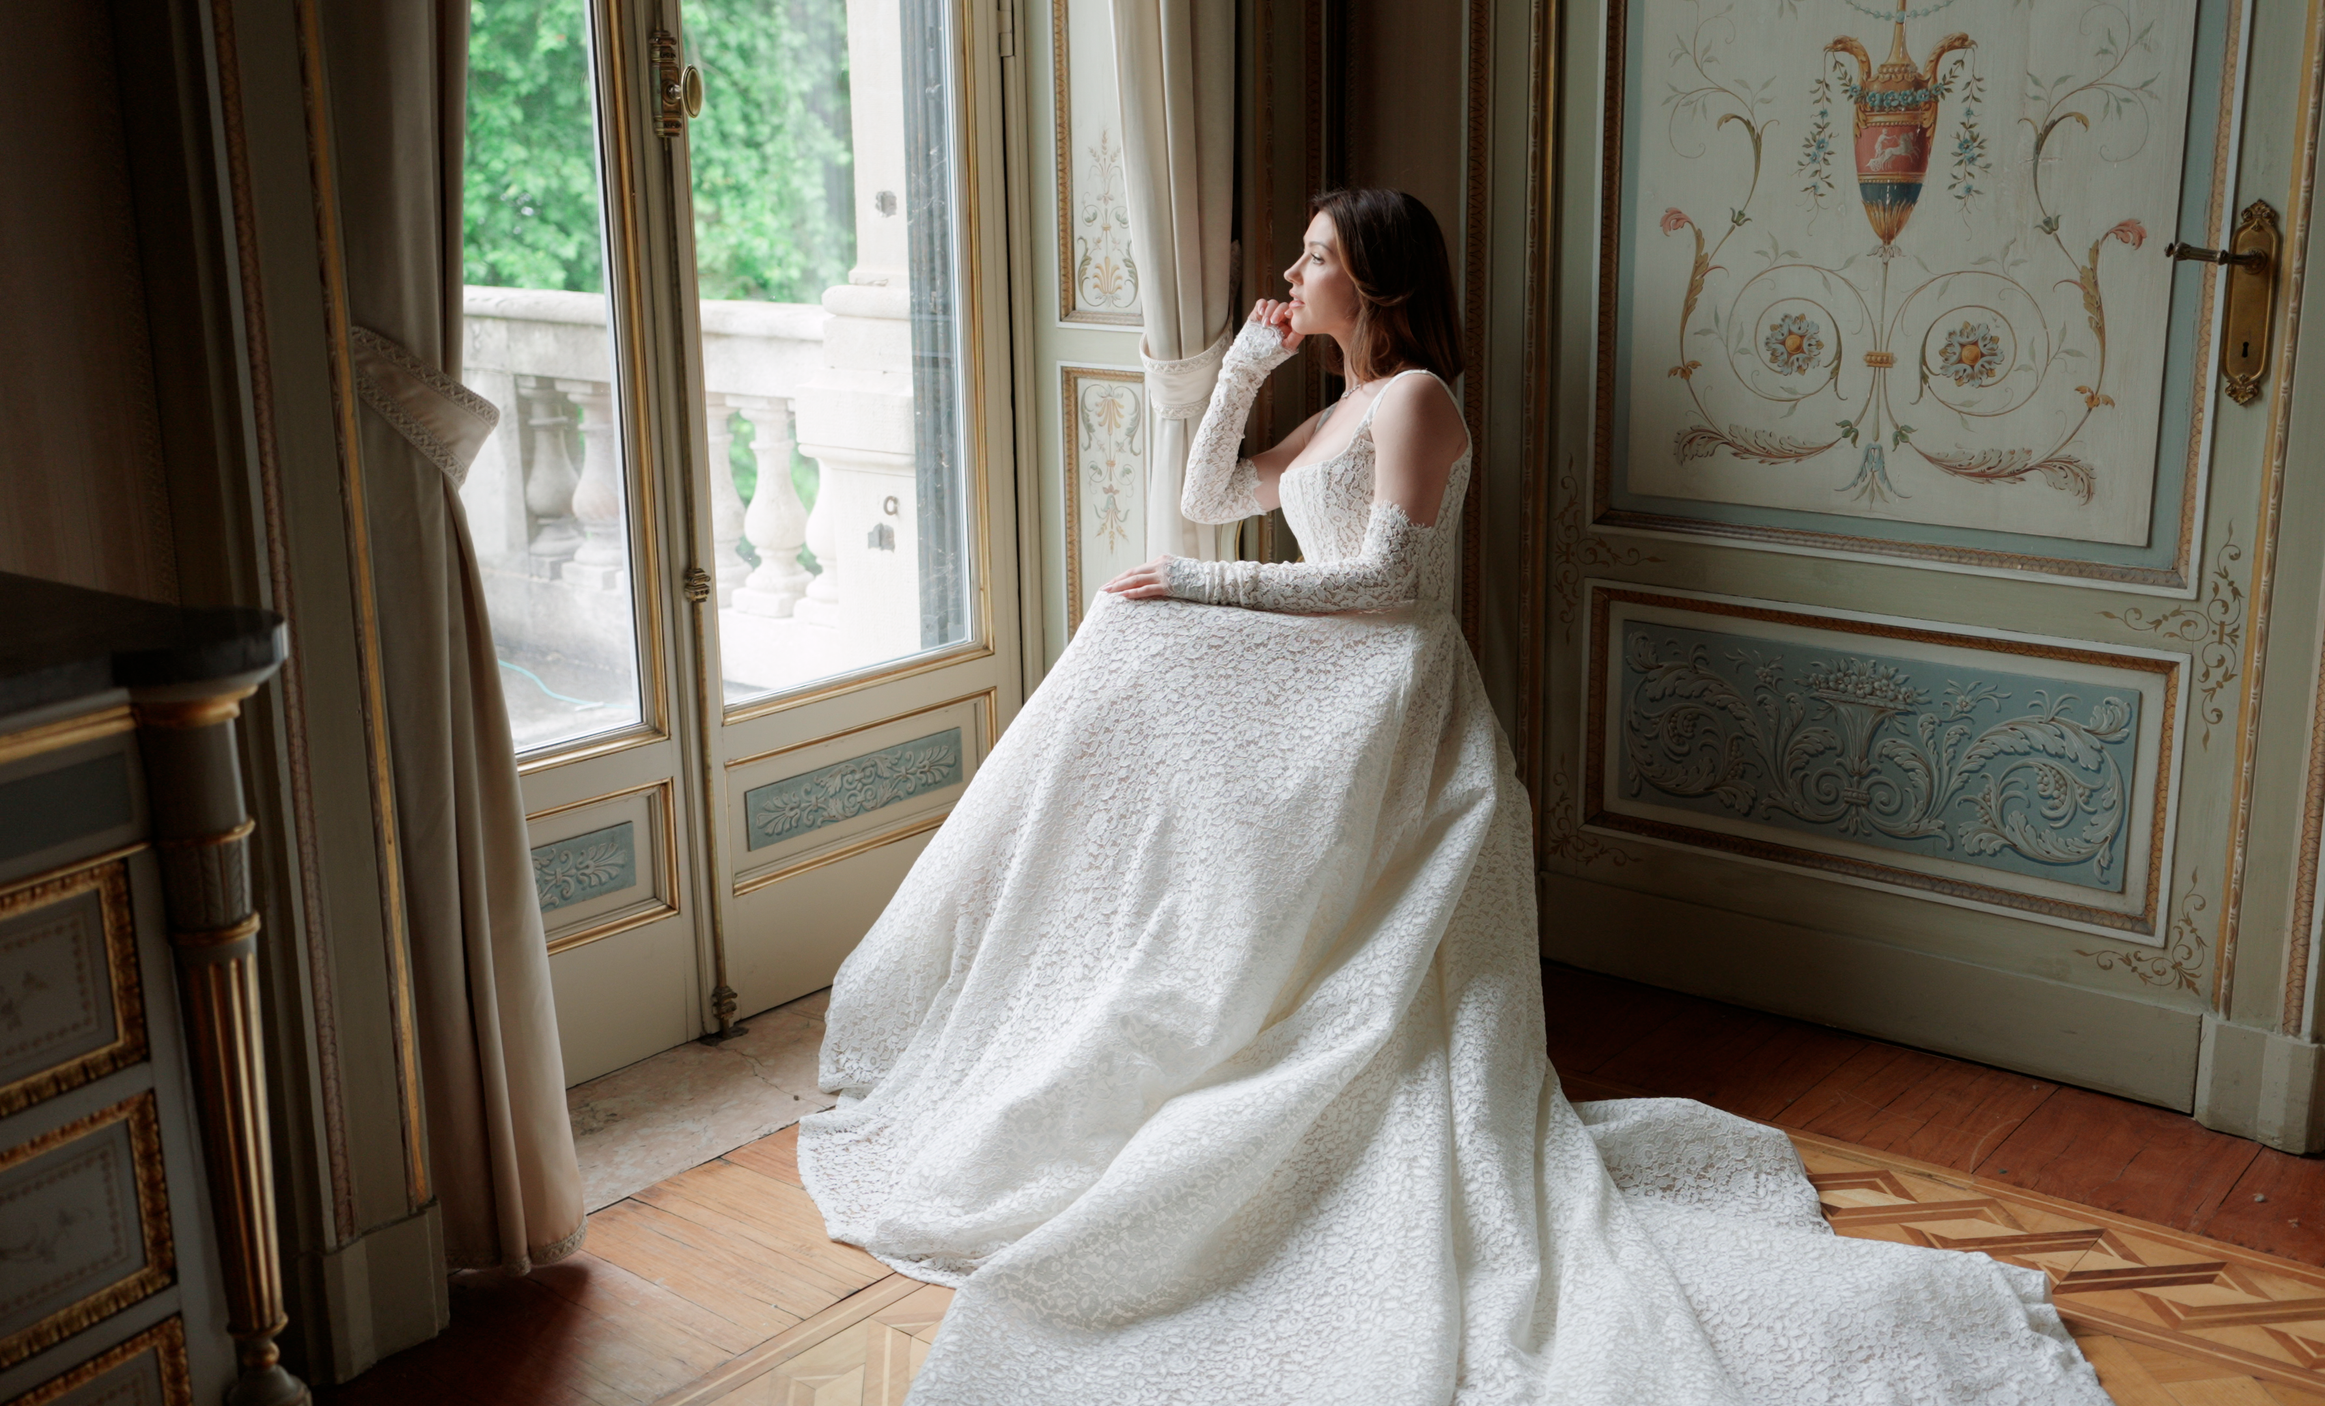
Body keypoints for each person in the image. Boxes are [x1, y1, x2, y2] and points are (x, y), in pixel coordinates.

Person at [797, 187, 2110, 1404]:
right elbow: (1208, 494)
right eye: (1302, 254)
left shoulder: (1418, 397)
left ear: (1372, 278)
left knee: (1151, 626)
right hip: (1332, 694)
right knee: (1131, 639)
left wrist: (1205, 585)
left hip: (1396, 702)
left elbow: (1394, 589)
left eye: (1316, 257)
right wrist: (1251, 361)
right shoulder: (1338, 406)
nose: (1295, 270)